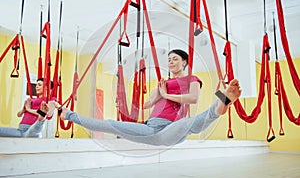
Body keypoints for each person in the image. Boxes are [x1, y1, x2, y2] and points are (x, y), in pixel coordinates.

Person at [49, 49, 242, 146]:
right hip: (151, 128)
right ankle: (68, 115)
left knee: (189, 123)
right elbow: (147, 104)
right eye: (169, 59)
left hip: (171, 128)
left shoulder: (193, 78)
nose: (171, 62)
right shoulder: (162, 83)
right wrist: (158, 95)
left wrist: (166, 95)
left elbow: (193, 99)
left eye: (175, 59)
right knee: (109, 124)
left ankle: (222, 102)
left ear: (184, 62)